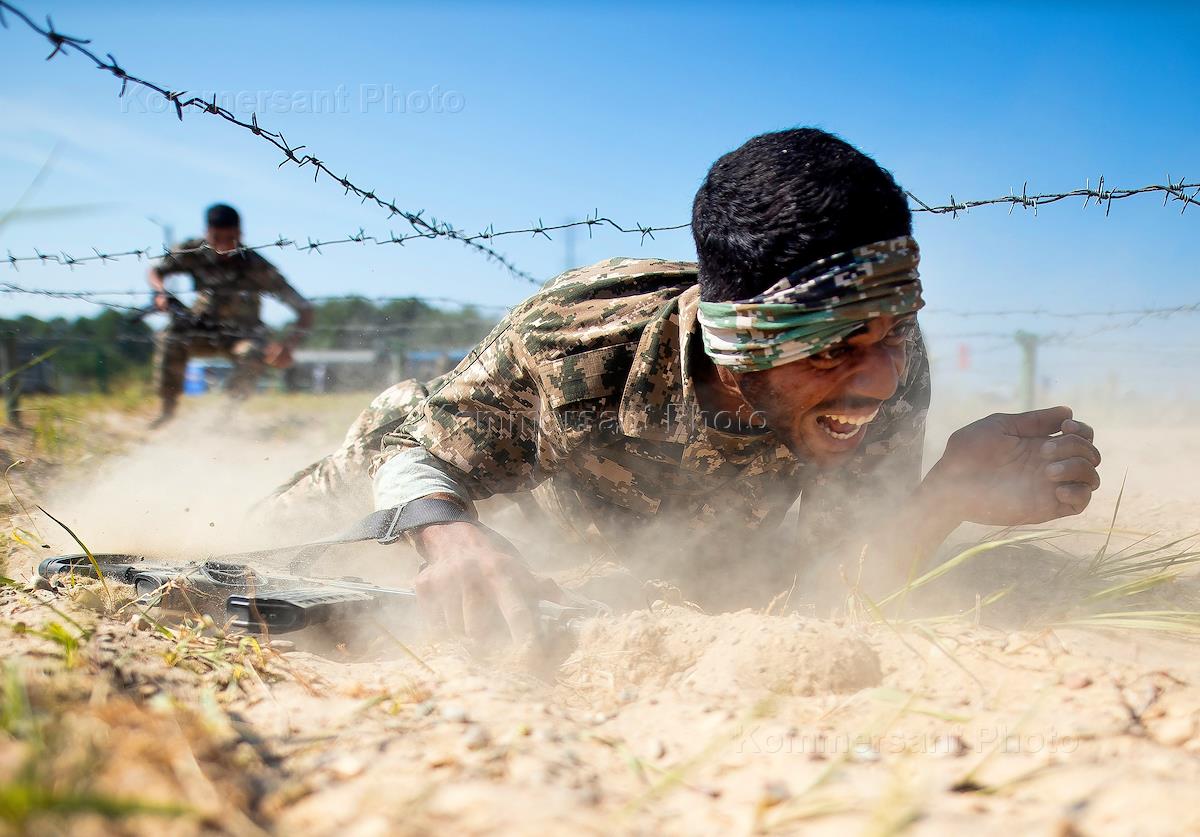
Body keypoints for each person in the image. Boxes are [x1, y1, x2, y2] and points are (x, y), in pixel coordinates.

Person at [268, 128, 1101, 643]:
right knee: (281, 536)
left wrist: (946, 494)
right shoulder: (580, 339)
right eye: (837, 348)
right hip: (475, 487)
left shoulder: (890, 368)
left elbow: (843, 584)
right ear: (741, 341)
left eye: (893, 332)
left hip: (641, 553)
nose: (880, 378)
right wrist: (453, 536)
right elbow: (416, 450)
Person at [147, 203, 314, 427]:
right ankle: (167, 411)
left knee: (253, 352)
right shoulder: (193, 251)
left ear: (240, 234)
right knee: (170, 337)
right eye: (217, 238)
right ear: (207, 233)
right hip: (202, 329)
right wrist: (160, 293)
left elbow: (304, 308)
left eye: (230, 238)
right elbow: (156, 271)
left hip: (242, 335)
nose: (224, 245)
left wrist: (289, 345)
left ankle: (223, 417)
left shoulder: (256, 266)